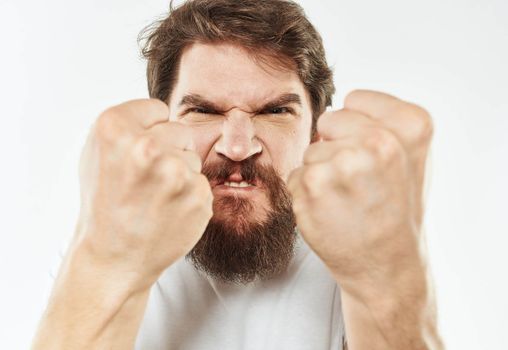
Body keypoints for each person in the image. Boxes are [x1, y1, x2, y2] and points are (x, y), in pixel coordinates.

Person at [32, 0, 444, 349]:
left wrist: (390, 278)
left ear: (317, 132)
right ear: (164, 126)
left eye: (275, 111)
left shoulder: (354, 248)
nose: (238, 146)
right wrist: (109, 262)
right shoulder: (100, 246)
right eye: (204, 111)